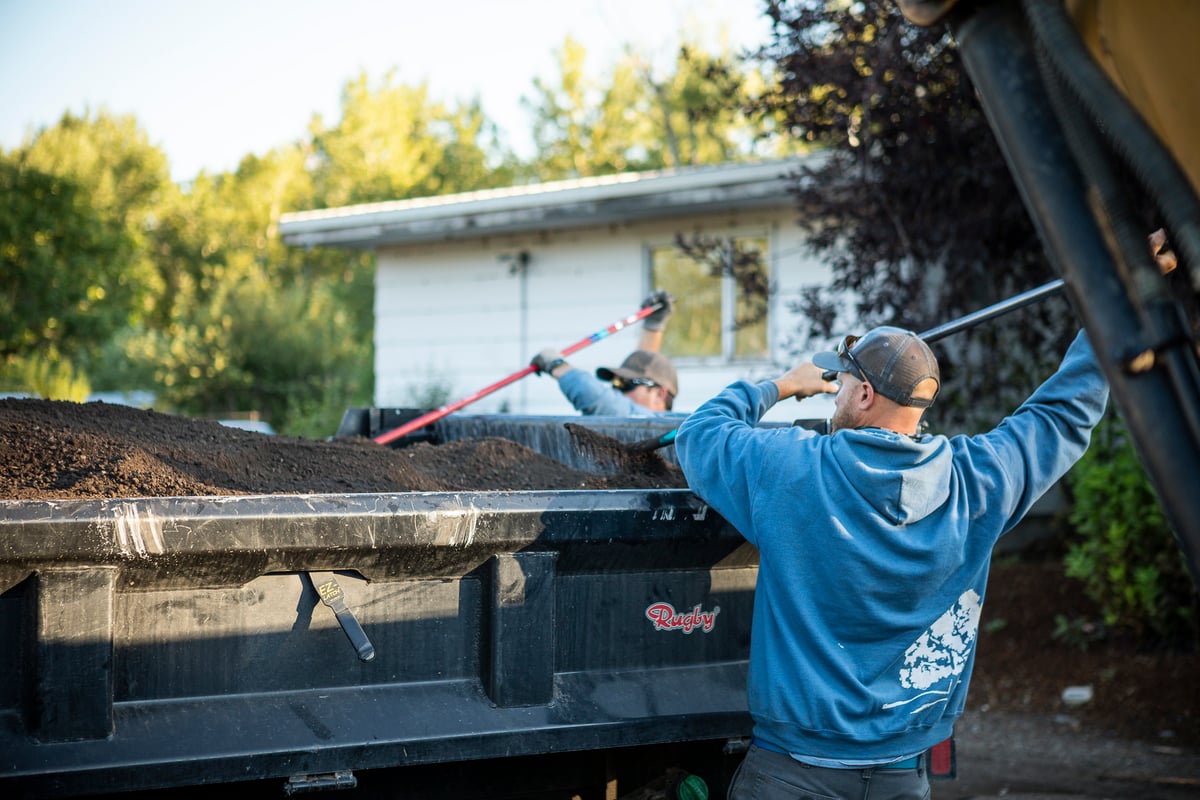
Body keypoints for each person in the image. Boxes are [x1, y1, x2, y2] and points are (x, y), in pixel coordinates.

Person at [675, 323, 1110, 800]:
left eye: (840, 383)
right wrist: (1113, 308)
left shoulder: (788, 469)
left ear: (864, 393)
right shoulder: (979, 481)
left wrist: (780, 386)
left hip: (791, 774)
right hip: (902, 777)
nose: (835, 393)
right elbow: (1064, 413)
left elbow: (699, 434)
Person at [531, 290, 681, 416]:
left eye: (625, 385)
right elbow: (646, 366)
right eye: (615, 384)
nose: (615, 391)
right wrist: (653, 325)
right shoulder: (640, 424)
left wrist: (557, 365)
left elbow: (601, 400)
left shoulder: (668, 429)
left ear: (660, 395)